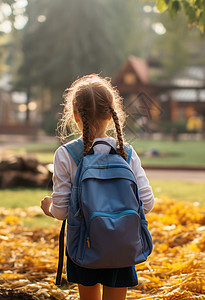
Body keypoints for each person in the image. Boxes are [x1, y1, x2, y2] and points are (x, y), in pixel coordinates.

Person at [41, 74, 155, 300]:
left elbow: (62, 211)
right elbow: (148, 203)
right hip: (122, 243)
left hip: (86, 243)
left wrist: (48, 207)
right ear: (112, 114)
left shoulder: (65, 155)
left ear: (75, 116)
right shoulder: (127, 153)